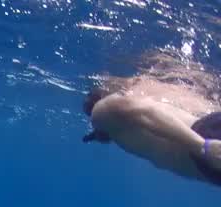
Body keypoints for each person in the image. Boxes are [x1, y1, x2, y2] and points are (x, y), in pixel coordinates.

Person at [82, 63, 221, 186]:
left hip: (204, 144)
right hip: (204, 150)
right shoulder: (105, 115)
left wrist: (202, 146)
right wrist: (202, 146)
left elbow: (147, 112)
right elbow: (146, 112)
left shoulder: (108, 117)